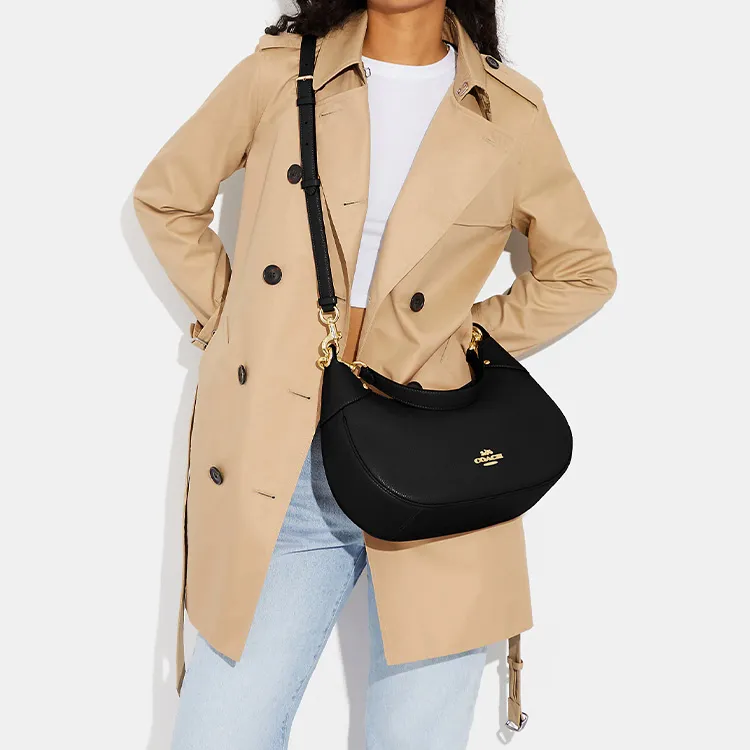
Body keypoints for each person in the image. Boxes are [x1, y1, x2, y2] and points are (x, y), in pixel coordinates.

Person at [133, 2, 617, 748]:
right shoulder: (282, 75)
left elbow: (582, 270)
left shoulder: (508, 112)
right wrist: (245, 322)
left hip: (442, 463)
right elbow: (166, 200)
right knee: (220, 732)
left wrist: (461, 341)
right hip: (287, 462)